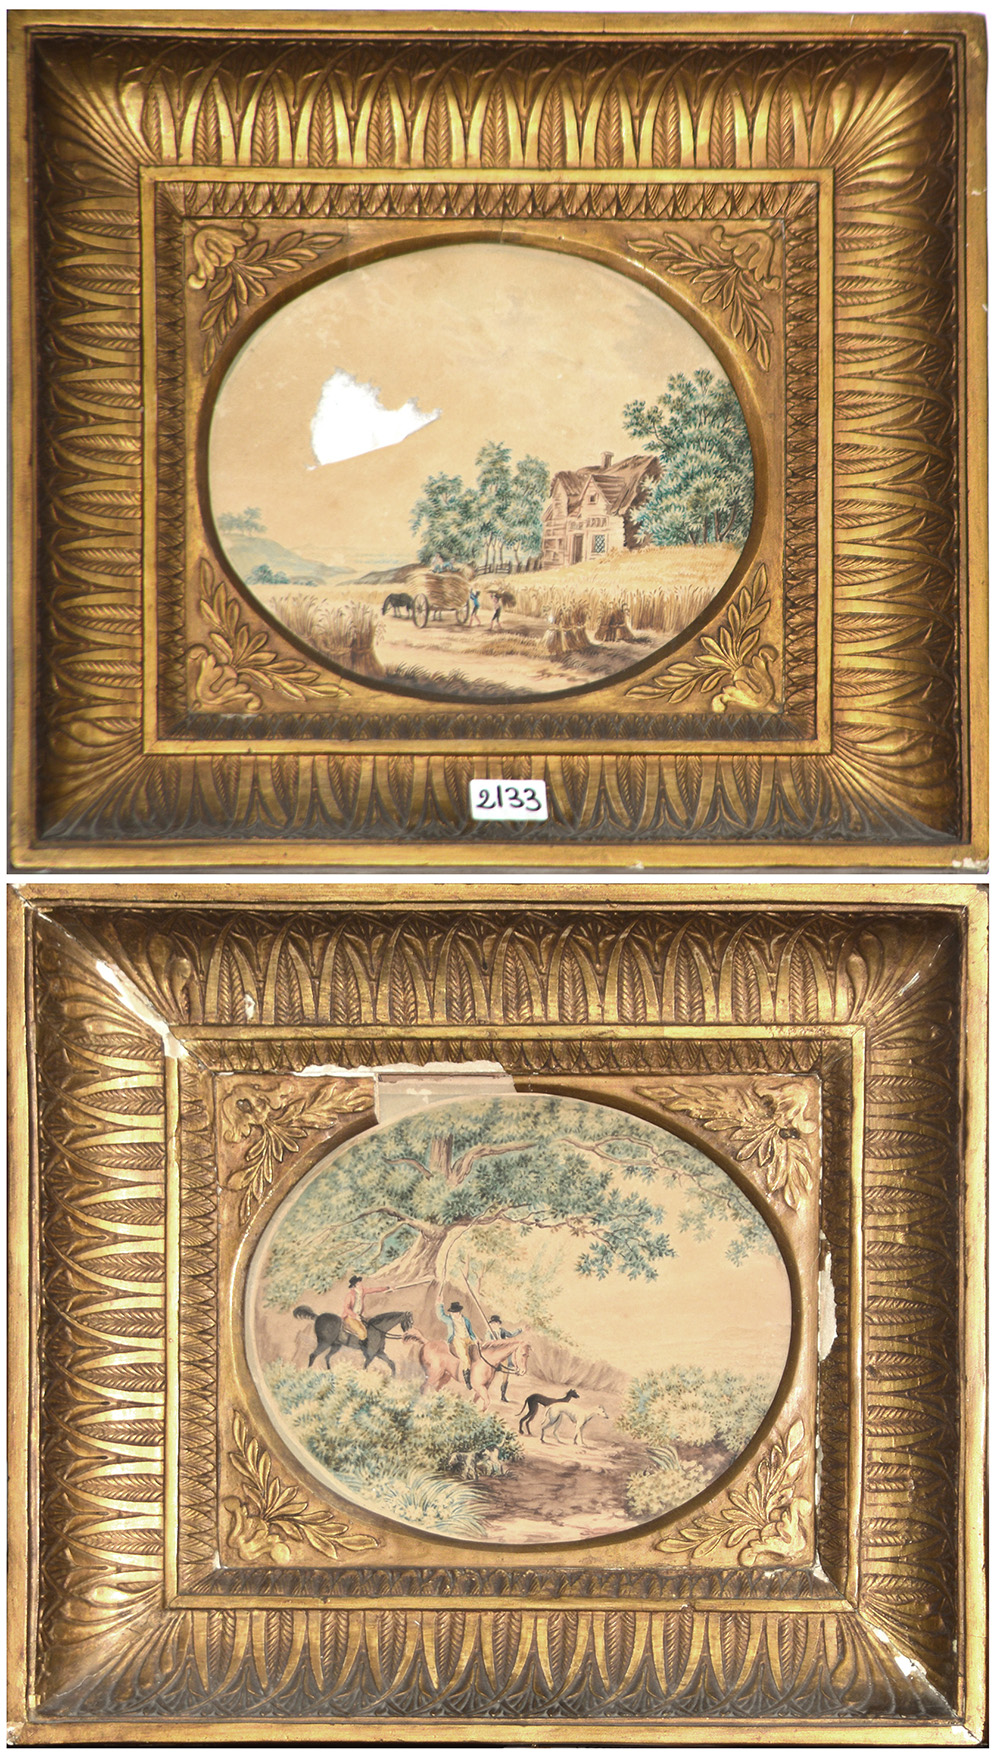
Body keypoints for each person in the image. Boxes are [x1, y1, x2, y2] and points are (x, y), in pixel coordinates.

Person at [437, 1297, 479, 1389]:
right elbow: (440, 1316)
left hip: (468, 1338)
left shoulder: (466, 1320)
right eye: (453, 1312)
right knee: (465, 1358)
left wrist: (475, 1339)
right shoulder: (449, 1320)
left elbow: (470, 1332)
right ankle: (467, 1381)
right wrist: (439, 1304)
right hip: (458, 1339)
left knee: (479, 1350)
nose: (455, 1314)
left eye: (456, 1312)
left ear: (459, 1312)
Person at [341, 1272, 390, 1343]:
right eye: (358, 1284)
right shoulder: (350, 1295)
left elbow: (374, 1289)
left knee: (365, 1331)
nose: (360, 1285)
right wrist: (355, 1316)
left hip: (359, 1316)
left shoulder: (363, 1291)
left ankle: (364, 1344)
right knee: (361, 1332)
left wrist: (387, 1288)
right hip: (350, 1317)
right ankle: (362, 1347)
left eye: (360, 1283)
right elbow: (346, 1308)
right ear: (354, 1286)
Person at [487, 1313, 523, 1403]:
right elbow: (488, 1344)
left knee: (506, 1375)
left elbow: (510, 1335)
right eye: (493, 1323)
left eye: (496, 1323)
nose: (495, 1325)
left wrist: (520, 1330)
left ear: (499, 1324)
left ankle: (503, 1395)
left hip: (503, 1356)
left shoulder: (502, 1331)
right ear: (491, 1324)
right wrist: (495, 1343)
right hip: (494, 1356)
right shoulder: (488, 1333)